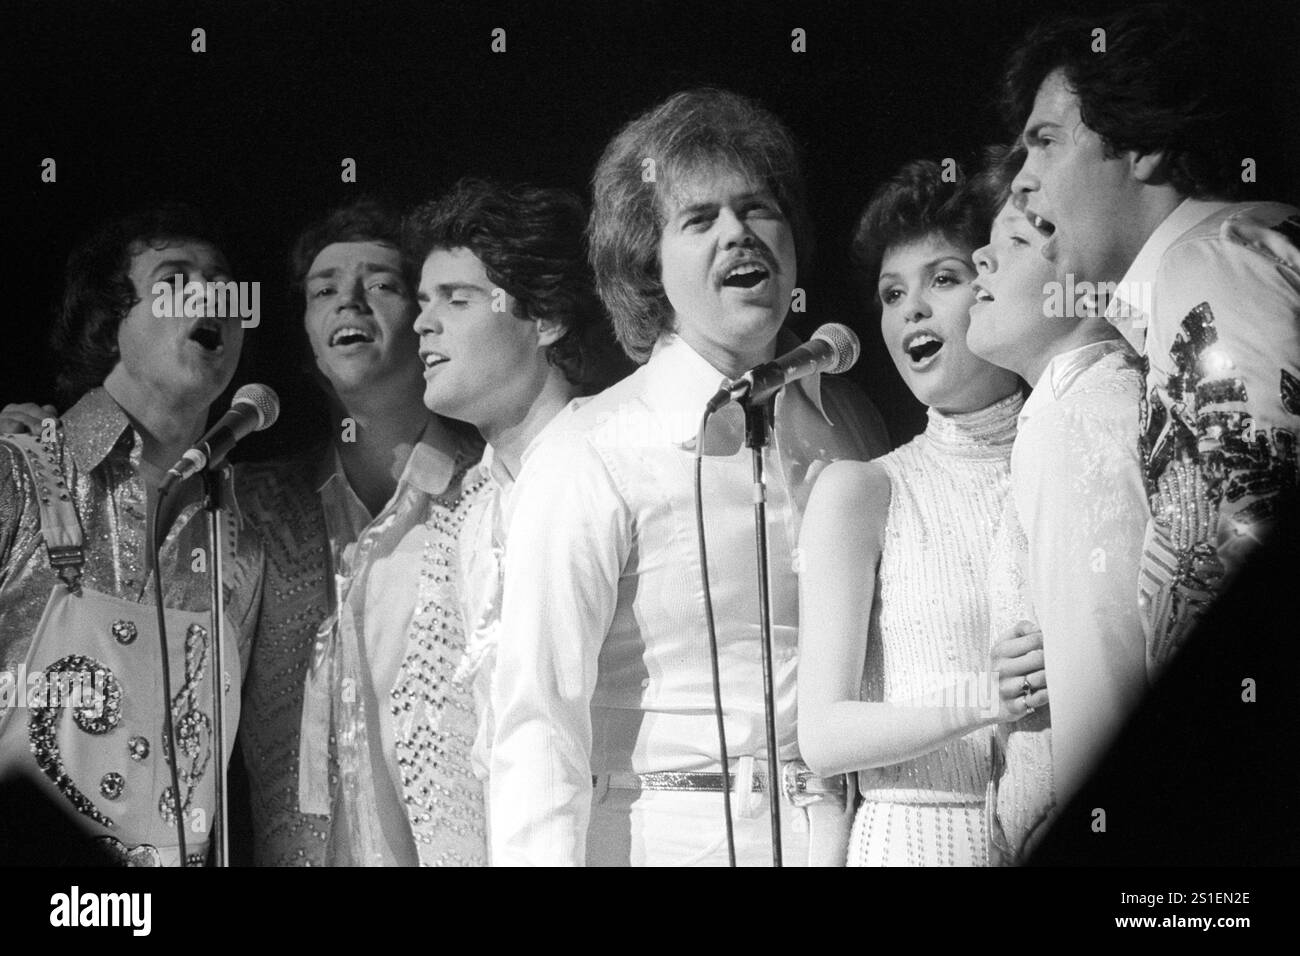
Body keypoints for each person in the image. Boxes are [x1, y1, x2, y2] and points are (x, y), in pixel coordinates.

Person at [489, 87, 889, 867]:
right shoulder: (591, 450)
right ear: (649, 265)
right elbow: (537, 724)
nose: (739, 233)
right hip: (667, 839)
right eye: (699, 219)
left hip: (849, 839)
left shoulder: (849, 426)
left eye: (758, 209)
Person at [1002, 4, 1300, 676]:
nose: (1021, 180)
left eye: (1046, 140)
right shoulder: (1231, 255)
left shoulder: (1211, 266)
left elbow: (1250, 512)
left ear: (1143, 145)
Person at [0, 203, 264, 866]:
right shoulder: (18, 475)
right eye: (175, 280)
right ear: (108, 321)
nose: (213, 297)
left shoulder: (243, 538)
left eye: (226, 285)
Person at [796, 160, 1041, 867]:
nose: (911, 311)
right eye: (892, 293)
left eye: (942, 279)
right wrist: (981, 699)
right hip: (915, 841)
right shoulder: (863, 491)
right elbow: (824, 732)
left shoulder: (1064, 457)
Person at [236, 199, 485, 866]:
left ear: (426, 317)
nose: (348, 301)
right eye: (324, 290)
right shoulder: (252, 507)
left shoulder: (498, 489)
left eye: (380, 283)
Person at [405, 178, 631, 811]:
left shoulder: (612, 465)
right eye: (425, 301)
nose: (423, 323)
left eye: (458, 299)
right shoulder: (476, 511)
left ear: (547, 318)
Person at [968, 145, 1149, 860]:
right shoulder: (1073, 405)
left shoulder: (1075, 419)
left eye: (1015, 239)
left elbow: (1105, 682)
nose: (982, 258)